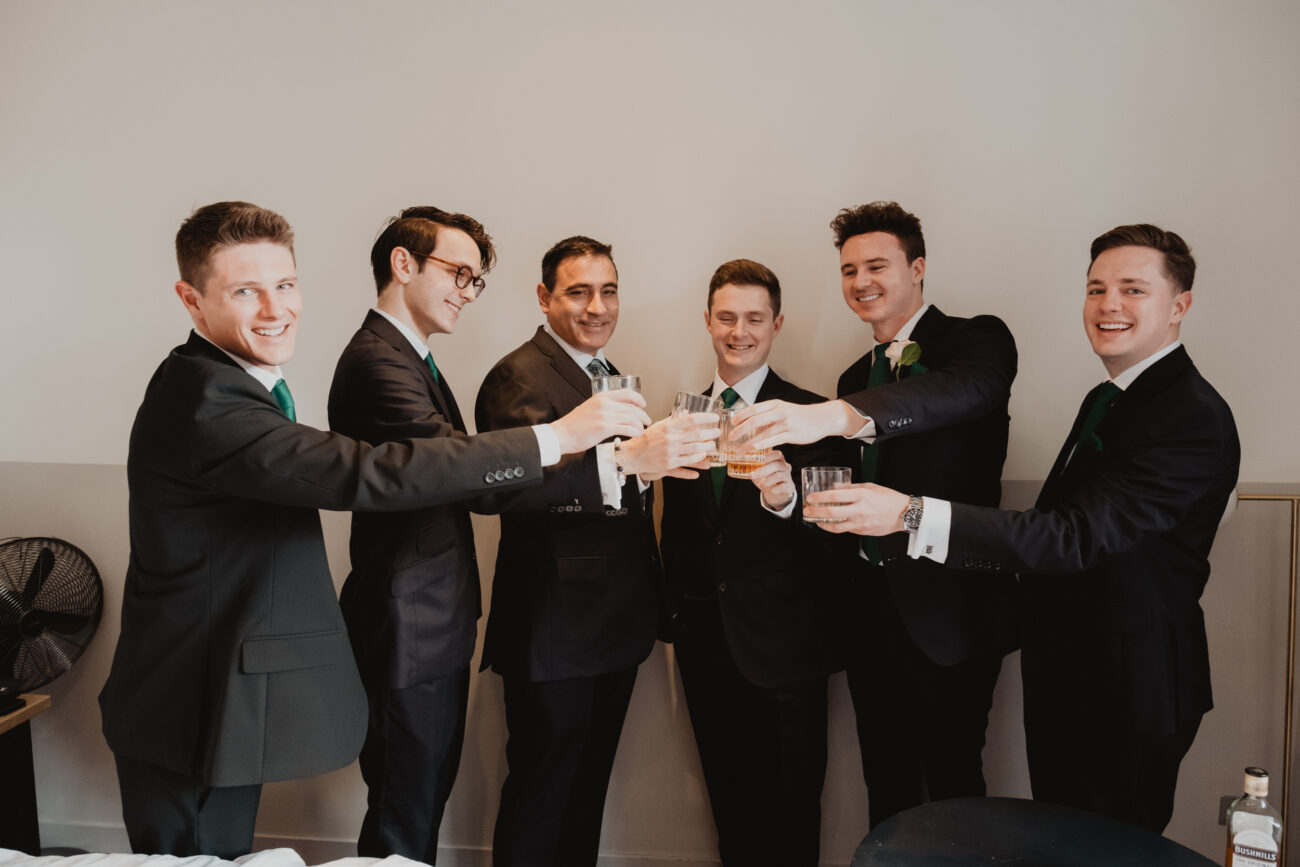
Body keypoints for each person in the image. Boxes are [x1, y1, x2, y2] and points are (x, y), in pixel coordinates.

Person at [98, 202, 649, 858]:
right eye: (246, 291)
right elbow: (368, 470)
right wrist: (556, 437)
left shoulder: (233, 383)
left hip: (220, 690)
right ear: (191, 300)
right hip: (190, 696)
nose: (277, 309)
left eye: (286, 285)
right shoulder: (208, 400)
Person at [804, 224, 1239, 833]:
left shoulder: (1189, 415)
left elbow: (1069, 535)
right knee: (1061, 837)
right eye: (1097, 289)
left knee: (1106, 846)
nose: (1109, 304)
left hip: (1129, 684)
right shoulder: (1109, 397)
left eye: (1133, 289)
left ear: (1179, 305)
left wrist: (908, 513)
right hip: (1065, 666)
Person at [735, 202, 1018, 828]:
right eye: (848, 269)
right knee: (883, 783)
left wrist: (833, 415)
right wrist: (783, 491)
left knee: (954, 789)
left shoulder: (975, 342)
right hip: (868, 616)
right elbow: (833, 492)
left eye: (877, 265)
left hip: (950, 615)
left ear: (917, 268)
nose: (861, 281)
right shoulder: (852, 374)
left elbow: (962, 394)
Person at [474, 236, 716, 867]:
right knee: (541, 797)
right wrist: (630, 459)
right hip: (553, 629)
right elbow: (514, 490)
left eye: (608, 291)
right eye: (578, 291)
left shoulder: (608, 374)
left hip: (614, 626)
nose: (597, 306)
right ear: (544, 297)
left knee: (585, 797)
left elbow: (619, 494)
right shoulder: (517, 375)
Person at [658, 259, 855, 866]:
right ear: (708, 322)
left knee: (793, 808)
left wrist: (785, 498)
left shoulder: (818, 418)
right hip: (704, 645)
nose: (738, 331)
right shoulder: (682, 417)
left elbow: (838, 543)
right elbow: (679, 531)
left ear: (776, 325)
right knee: (727, 801)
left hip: (787, 650)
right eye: (726, 317)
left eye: (753, 318)